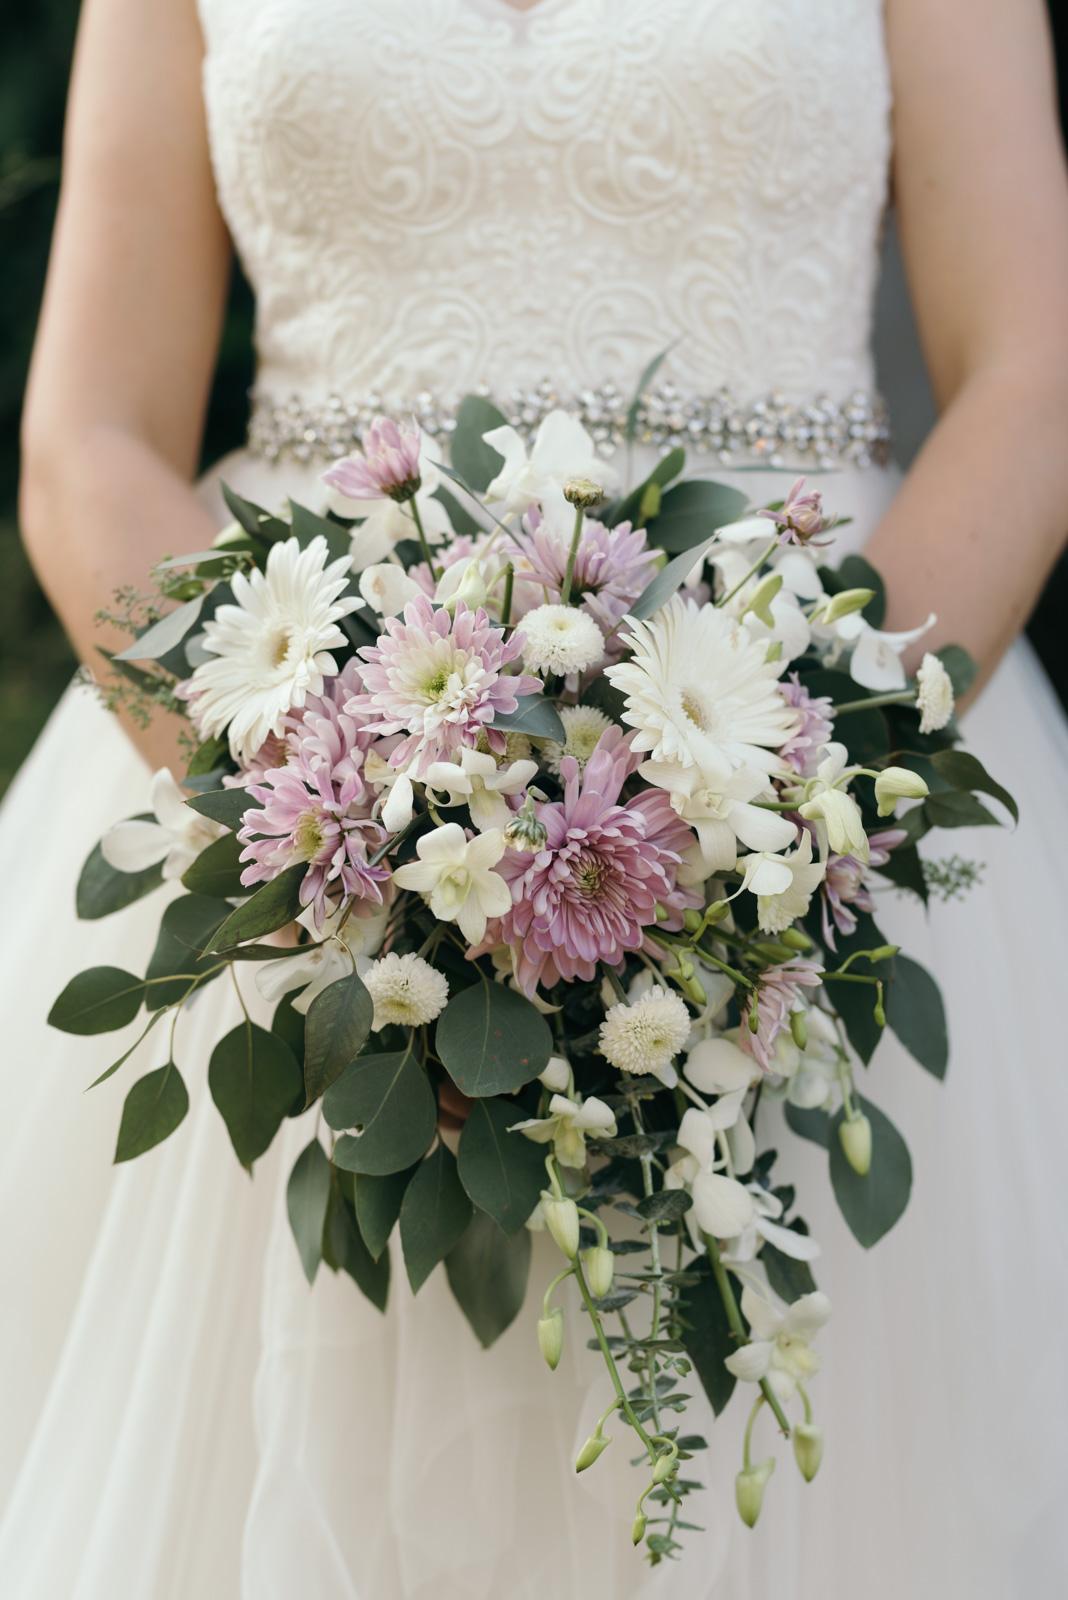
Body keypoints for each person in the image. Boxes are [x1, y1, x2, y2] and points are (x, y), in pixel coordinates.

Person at [2, 0, 1067, 1594]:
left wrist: (783, 790)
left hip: (816, 748)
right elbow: (85, 433)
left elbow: (1035, 380)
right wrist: (305, 807)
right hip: (300, 752)